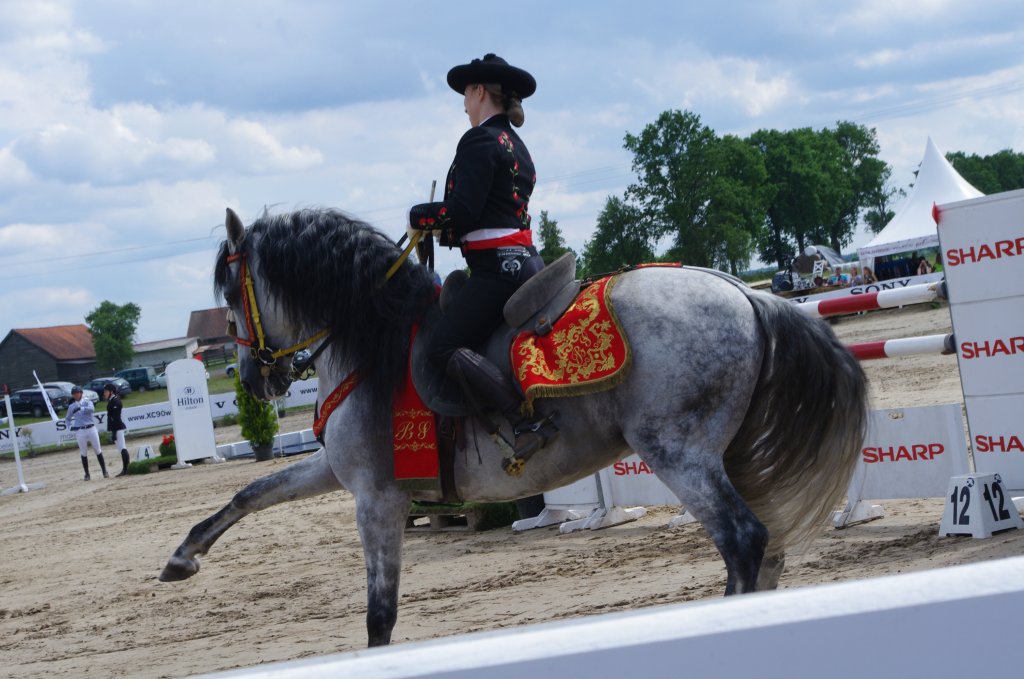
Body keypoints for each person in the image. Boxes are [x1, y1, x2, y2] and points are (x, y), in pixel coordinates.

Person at [407, 53, 556, 458]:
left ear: (478, 92)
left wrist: (420, 215)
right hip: (526, 261)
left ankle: (526, 421)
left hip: (496, 272)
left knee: (441, 346)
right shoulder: (516, 144)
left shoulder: (478, 140)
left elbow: (465, 210)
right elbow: (490, 212)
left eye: (466, 96)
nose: (464, 105)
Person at [66, 385, 107, 480]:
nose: (76, 395)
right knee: (83, 452)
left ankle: (104, 470)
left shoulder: (87, 401)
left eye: (77, 393)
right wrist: (70, 427)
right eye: (74, 394)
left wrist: (81, 408)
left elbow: (92, 409)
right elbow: (67, 419)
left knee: (97, 450)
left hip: (91, 428)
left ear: (81, 393)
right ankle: (87, 474)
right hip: (80, 430)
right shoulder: (71, 406)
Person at [104, 383, 130, 476]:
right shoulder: (112, 400)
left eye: (106, 391)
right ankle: (126, 468)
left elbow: (115, 418)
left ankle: (126, 469)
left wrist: (114, 433)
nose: (104, 393)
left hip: (118, 427)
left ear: (111, 392)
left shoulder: (116, 402)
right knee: (120, 449)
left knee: (122, 448)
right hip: (115, 427)